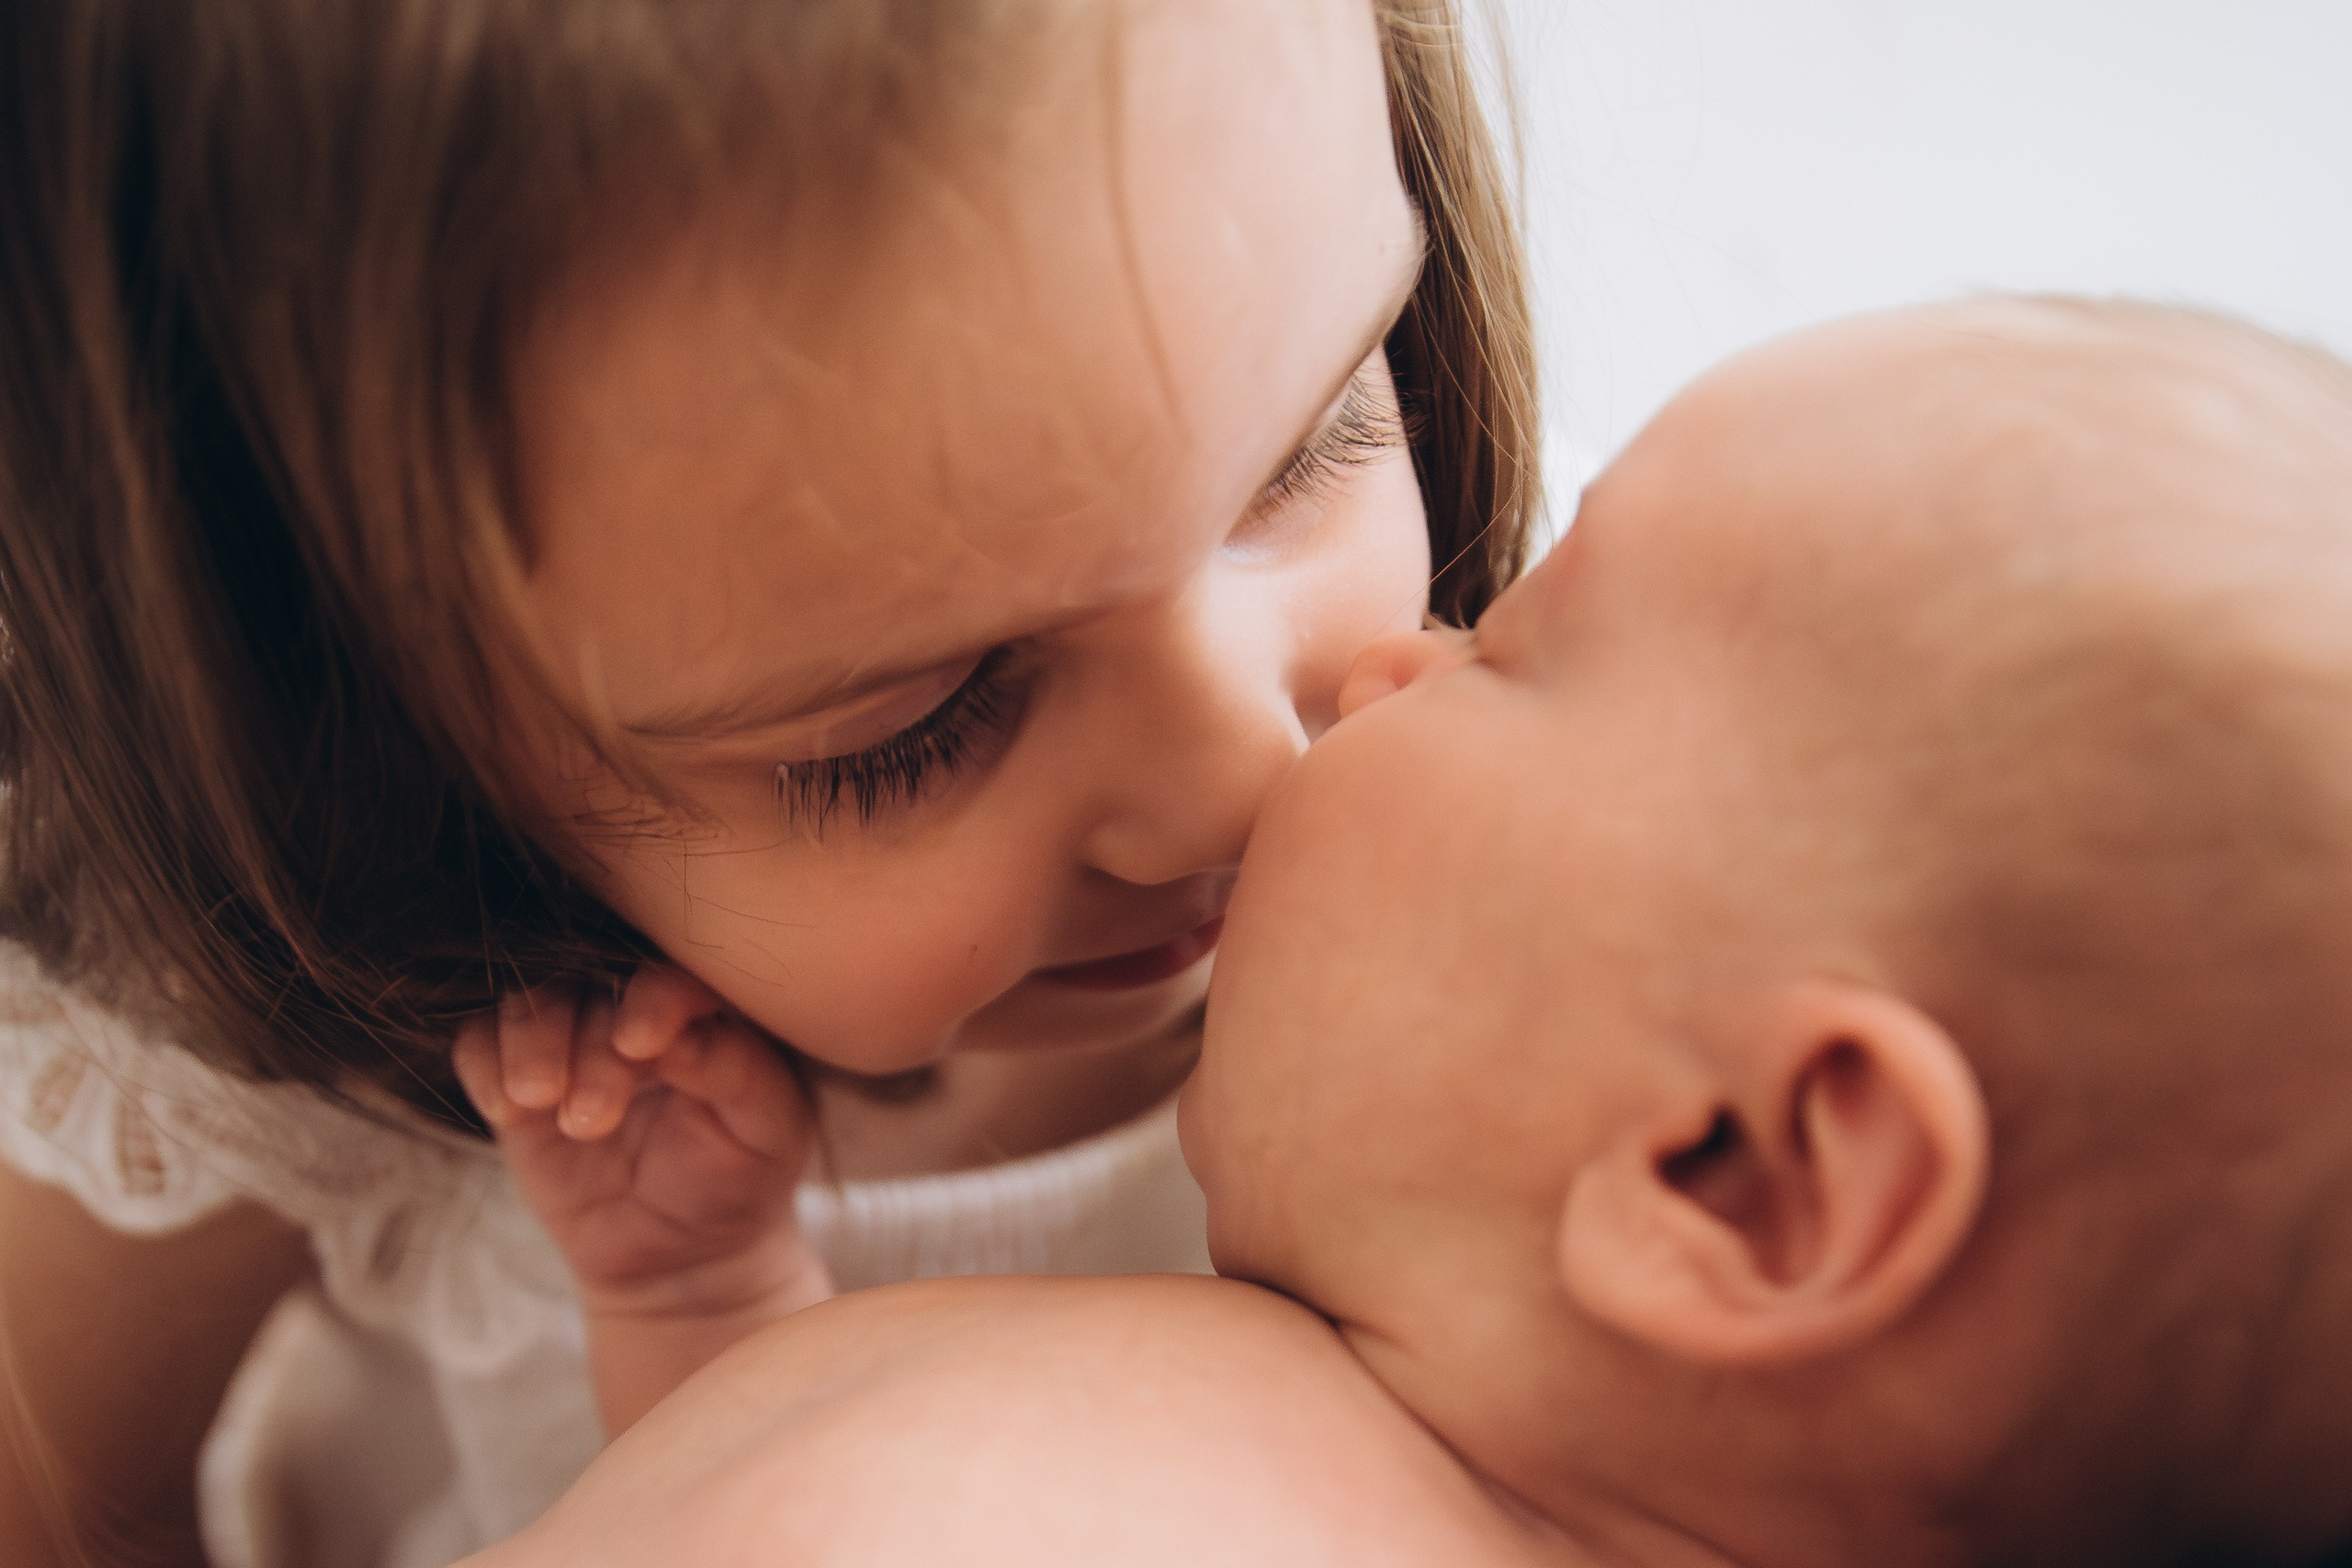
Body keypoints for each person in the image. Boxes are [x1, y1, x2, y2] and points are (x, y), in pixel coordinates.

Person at [0, 1, 1540, 1563]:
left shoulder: (1618, 881)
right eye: (912, 731)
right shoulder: (255, 1063)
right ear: (361, 736)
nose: (1239, 781)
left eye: (1325, 435)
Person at [467, 298, 2352, 1568]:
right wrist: (703, 1300)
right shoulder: (1304, 1421)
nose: (1393, 653)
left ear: (1737, 1173)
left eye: (1519, 646)